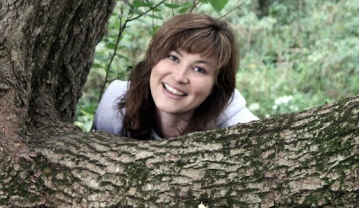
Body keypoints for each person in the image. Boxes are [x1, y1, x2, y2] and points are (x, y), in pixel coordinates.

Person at [93, 13, 258, 139]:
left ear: (216, 85)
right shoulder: (114, 105)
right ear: (153, 59)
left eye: (199, 69)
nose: (179, 77)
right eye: (173, 58)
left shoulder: (238, 128)